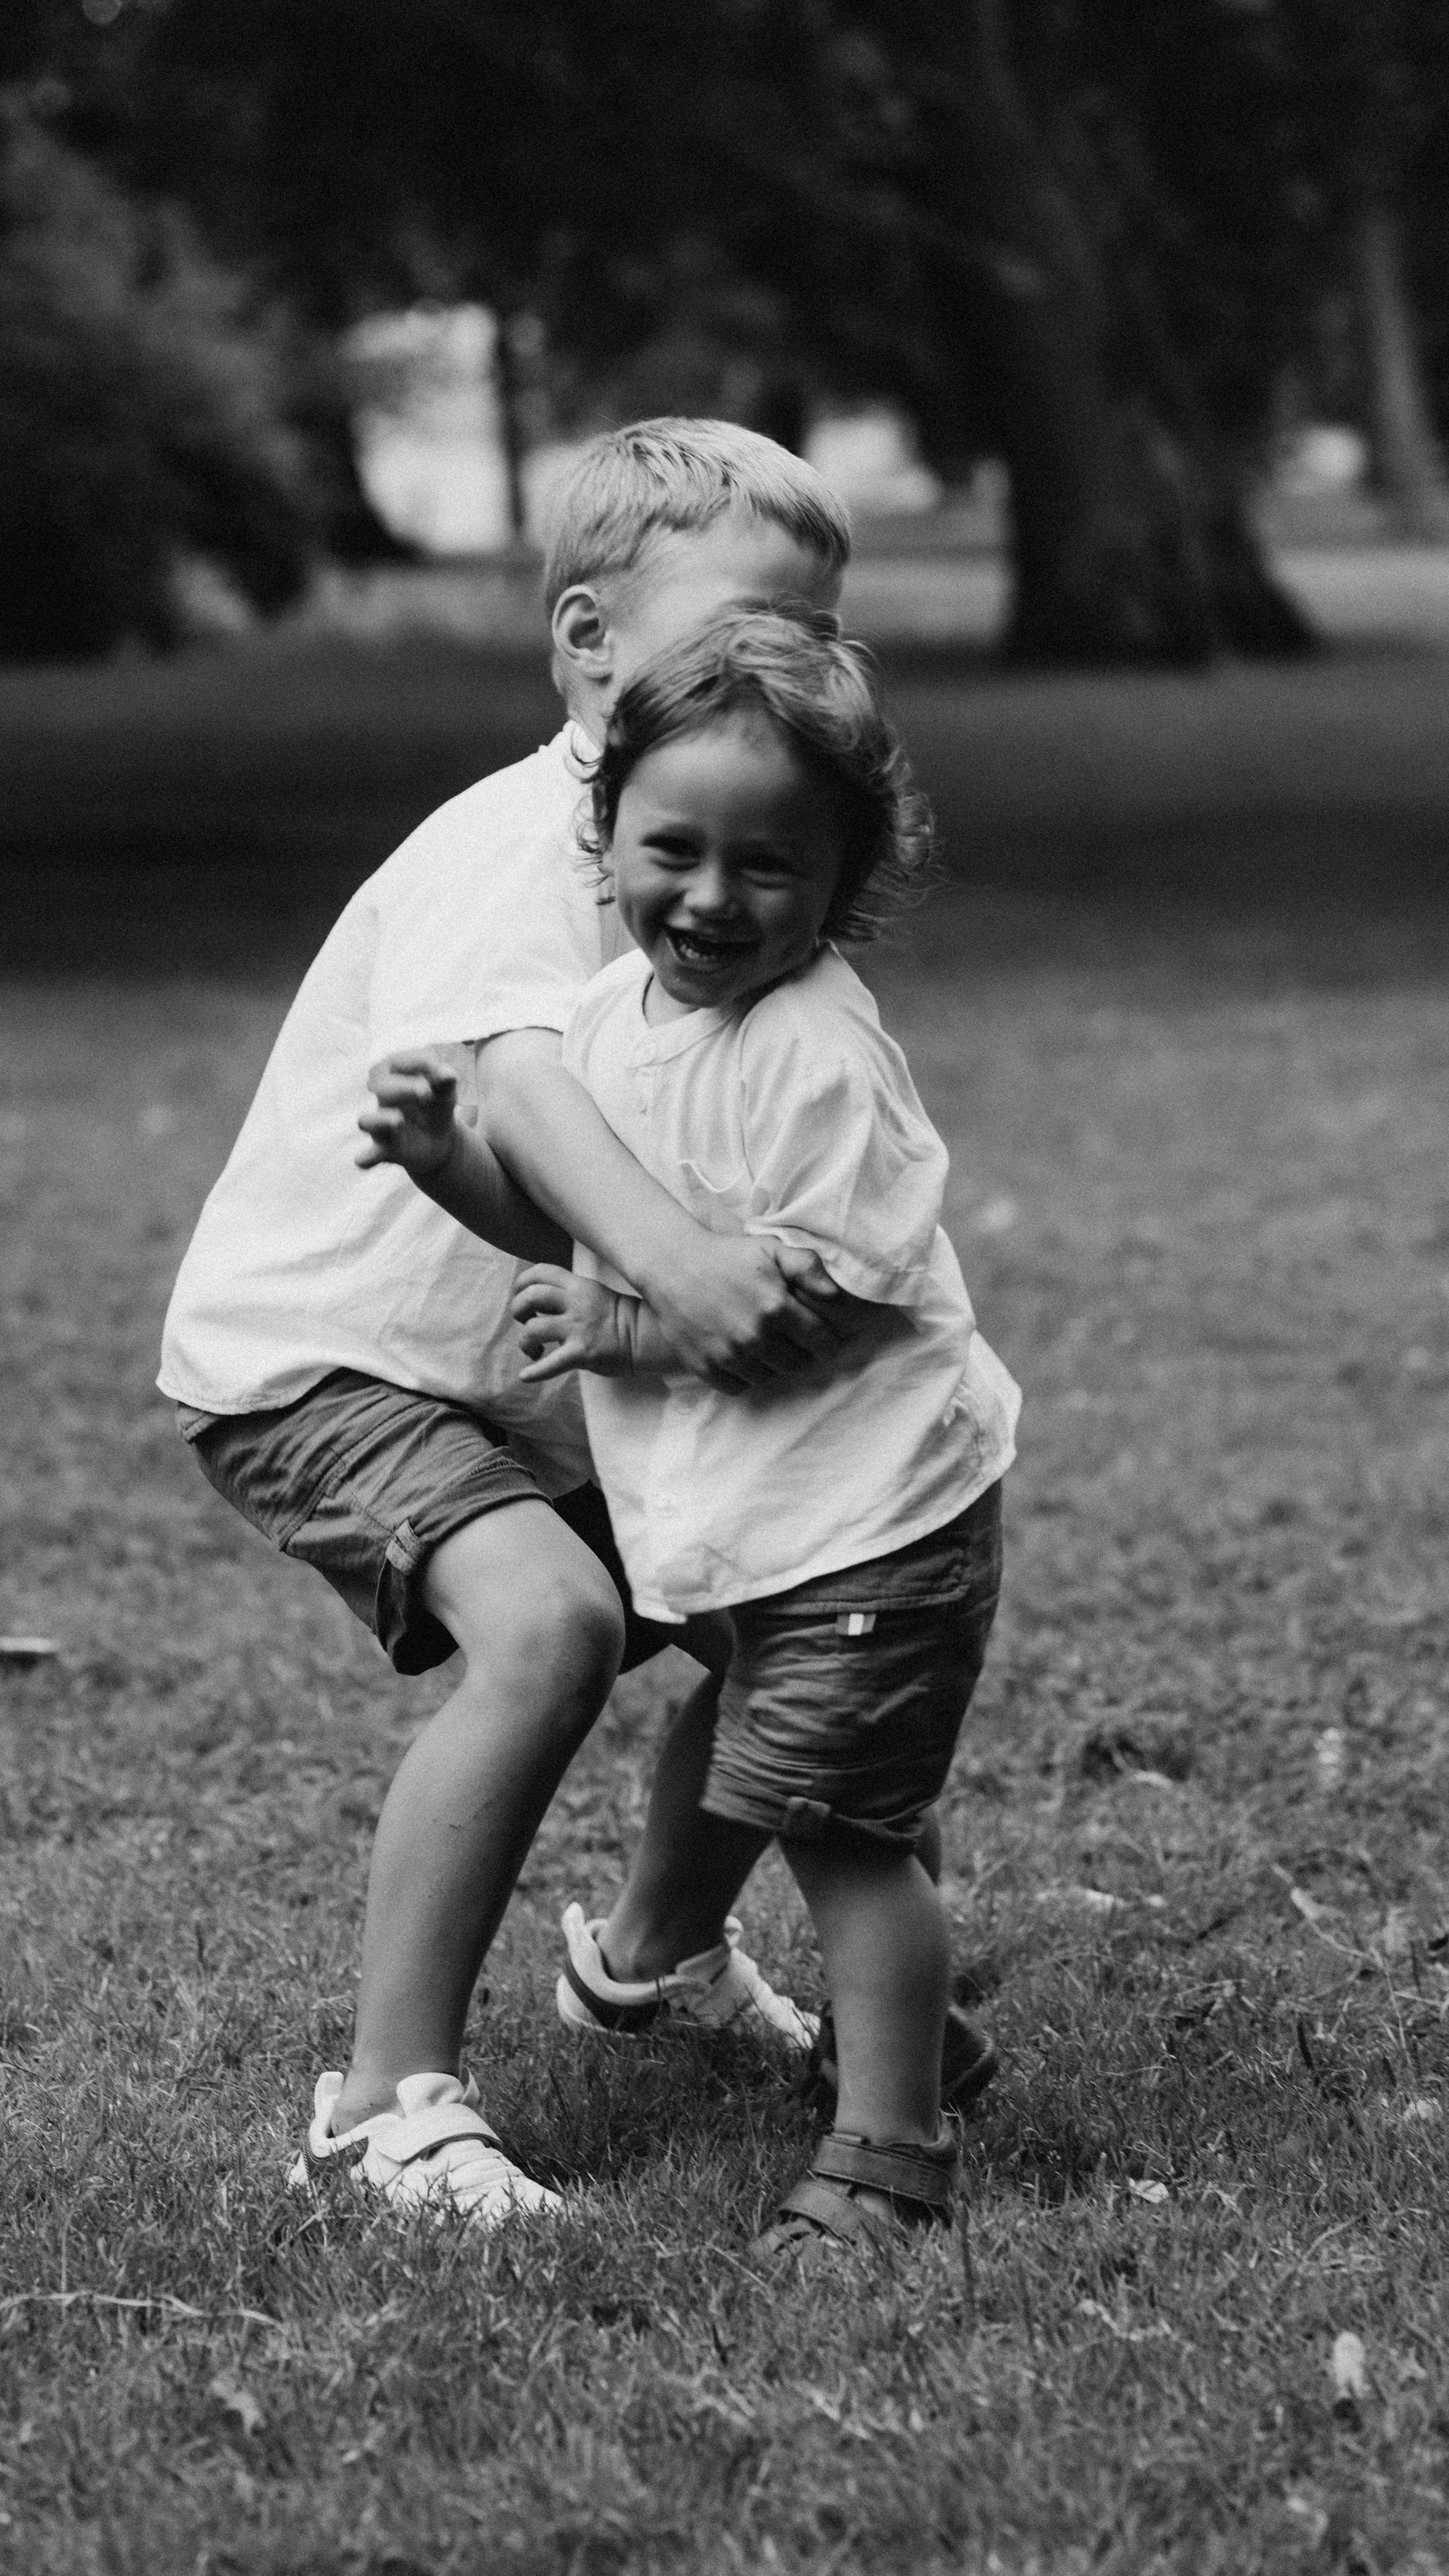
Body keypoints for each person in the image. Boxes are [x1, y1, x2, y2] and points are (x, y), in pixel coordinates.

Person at [158, 421, 850, 2222]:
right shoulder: (516, 850)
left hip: (544, 1365)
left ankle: (649, 1960)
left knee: (802, 1605)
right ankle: (380, 2108)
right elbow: (521, 1091)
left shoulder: (720, 861)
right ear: (586, 642)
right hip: (323, 1359)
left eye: (814, 641)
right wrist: (679, 1267)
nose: (782, 674)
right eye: (740, 633)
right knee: (549, 1627)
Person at [371, 609, 1019, 2245]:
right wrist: (444, 1160)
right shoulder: (611, 1019)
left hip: (875, 1515)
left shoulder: (815, 1054)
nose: (713, 897)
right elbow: (558, 1221)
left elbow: (829, 1296)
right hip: (776, 1519)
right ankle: (906, 2043)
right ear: (606, 839)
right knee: (820, 1807)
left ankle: (888, 2148)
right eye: (674, 849)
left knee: (843, 1837)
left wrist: (624, 1329)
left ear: (842, 881)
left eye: (768, 865)